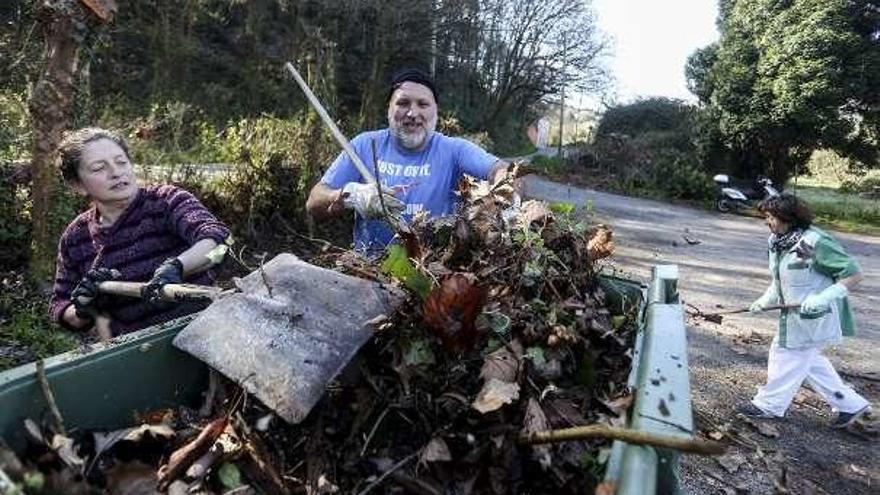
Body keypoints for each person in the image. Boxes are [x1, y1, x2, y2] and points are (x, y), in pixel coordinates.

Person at [306, 68, 509, 256]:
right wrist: (349, 195)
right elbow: (314, 201)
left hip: (433, 272)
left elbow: (500, 169)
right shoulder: (364, 145)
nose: (413, 113)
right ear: (389, 108)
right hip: (368, 273)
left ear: (436, 110)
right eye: (403, 103)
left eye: (423, 104)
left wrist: (504, 194)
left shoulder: (454, 150)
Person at [50, 127, 232, 337]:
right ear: (77, 185)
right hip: (136, 349)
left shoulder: (166, 201)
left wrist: (178, 267)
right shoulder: (75, 238)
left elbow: (220, 244)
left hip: (202, 334)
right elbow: (60, 308)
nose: (116, 172)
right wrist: (84, 307)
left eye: (121, 162)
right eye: (99, 168)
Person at [737, 193, 871, 428]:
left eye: (770, 217)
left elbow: (853, 274)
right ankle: (850, 405)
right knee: (809, 362)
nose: (766, 222)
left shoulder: (815, 242)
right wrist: (765, 300)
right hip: (794, 316)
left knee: (785, 353)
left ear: (787, 217)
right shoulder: (777, 242)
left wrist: (824, 297)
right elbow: (780, 280)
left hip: (816, 315)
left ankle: (769, 405)